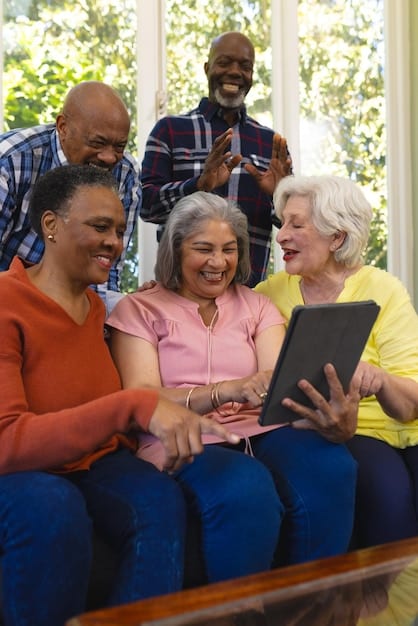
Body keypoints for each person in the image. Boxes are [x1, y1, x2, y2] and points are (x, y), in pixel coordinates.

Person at [0, 165, 238, 626]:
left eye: (121, 230)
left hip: (96, 463)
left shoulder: (97, 309)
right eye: (100, 227)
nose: (115, 242)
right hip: (24, 472)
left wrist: (178, 423)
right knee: (53, 506)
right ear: (50, 225)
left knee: (159, 498)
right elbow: (8, 443)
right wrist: (136, 406)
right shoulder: (6, 303)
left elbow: (108, 413)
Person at [107, 190, 359, 586]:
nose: (218, 262)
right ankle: (240, 613)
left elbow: (277, 383)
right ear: (175, 249)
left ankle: (311, 605)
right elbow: (143, 397)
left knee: (333, 464)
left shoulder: (256, 307)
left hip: (261, 429)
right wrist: (226, 390)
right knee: (245, 487)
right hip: (183, 434)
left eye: (229, 250)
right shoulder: (139, 310)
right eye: (203, 249)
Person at [255, 174, 418, 549]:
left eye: (297, 224)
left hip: (396, 429)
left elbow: (410, 402)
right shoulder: (266, 295)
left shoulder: (383, 289)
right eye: (283, 223)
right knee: (385, 495)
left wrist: (378, 378)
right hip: (327, 433)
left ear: (337, 237)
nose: (280, 236)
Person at [140, 31, 292, 287]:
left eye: (245, 66)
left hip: (248, 297)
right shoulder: (169, 130)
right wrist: (198, 185)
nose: (235, 72)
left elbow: (291, 226)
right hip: (179, 295)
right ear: (207, 68)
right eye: (224, 62)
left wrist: (281, 197)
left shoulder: (271, 144)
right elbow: (146, 205)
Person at [0, 80, 141, 313]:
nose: (109, 157)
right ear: (63, 127)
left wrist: (94, 325)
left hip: (75, 305)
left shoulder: (126, 173)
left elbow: (107, 270)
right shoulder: (11, 160)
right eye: (98, 143)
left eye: (119, 146)